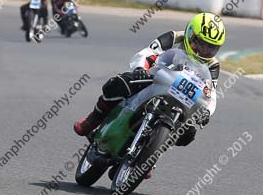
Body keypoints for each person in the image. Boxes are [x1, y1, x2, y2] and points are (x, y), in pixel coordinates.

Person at [74, 13, 226, 177]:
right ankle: (93, 119)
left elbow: (211, 93)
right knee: (118, 83)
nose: (204, 50)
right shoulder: (174, 38)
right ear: (190, 34)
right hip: (155, 79)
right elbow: (146, 53)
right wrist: (140, 69)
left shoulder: (212, 65)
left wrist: (206, 112)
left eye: (211, 47)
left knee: (188, 132)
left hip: (183, 96)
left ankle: (152, 156)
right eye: (201, 44)